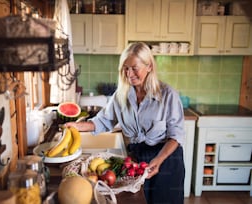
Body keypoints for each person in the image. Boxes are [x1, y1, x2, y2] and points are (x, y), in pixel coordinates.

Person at [65, 42, 185, 204]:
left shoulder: (168, 95)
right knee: (138, 200)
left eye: (134, 68)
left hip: (166, 159)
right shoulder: (121, 96)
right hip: (137, 159)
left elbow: (175, 136)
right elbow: (103, 121)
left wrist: (159, 160)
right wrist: (77, 126)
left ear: (149, 66)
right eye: (125, 68)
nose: (129, 74)